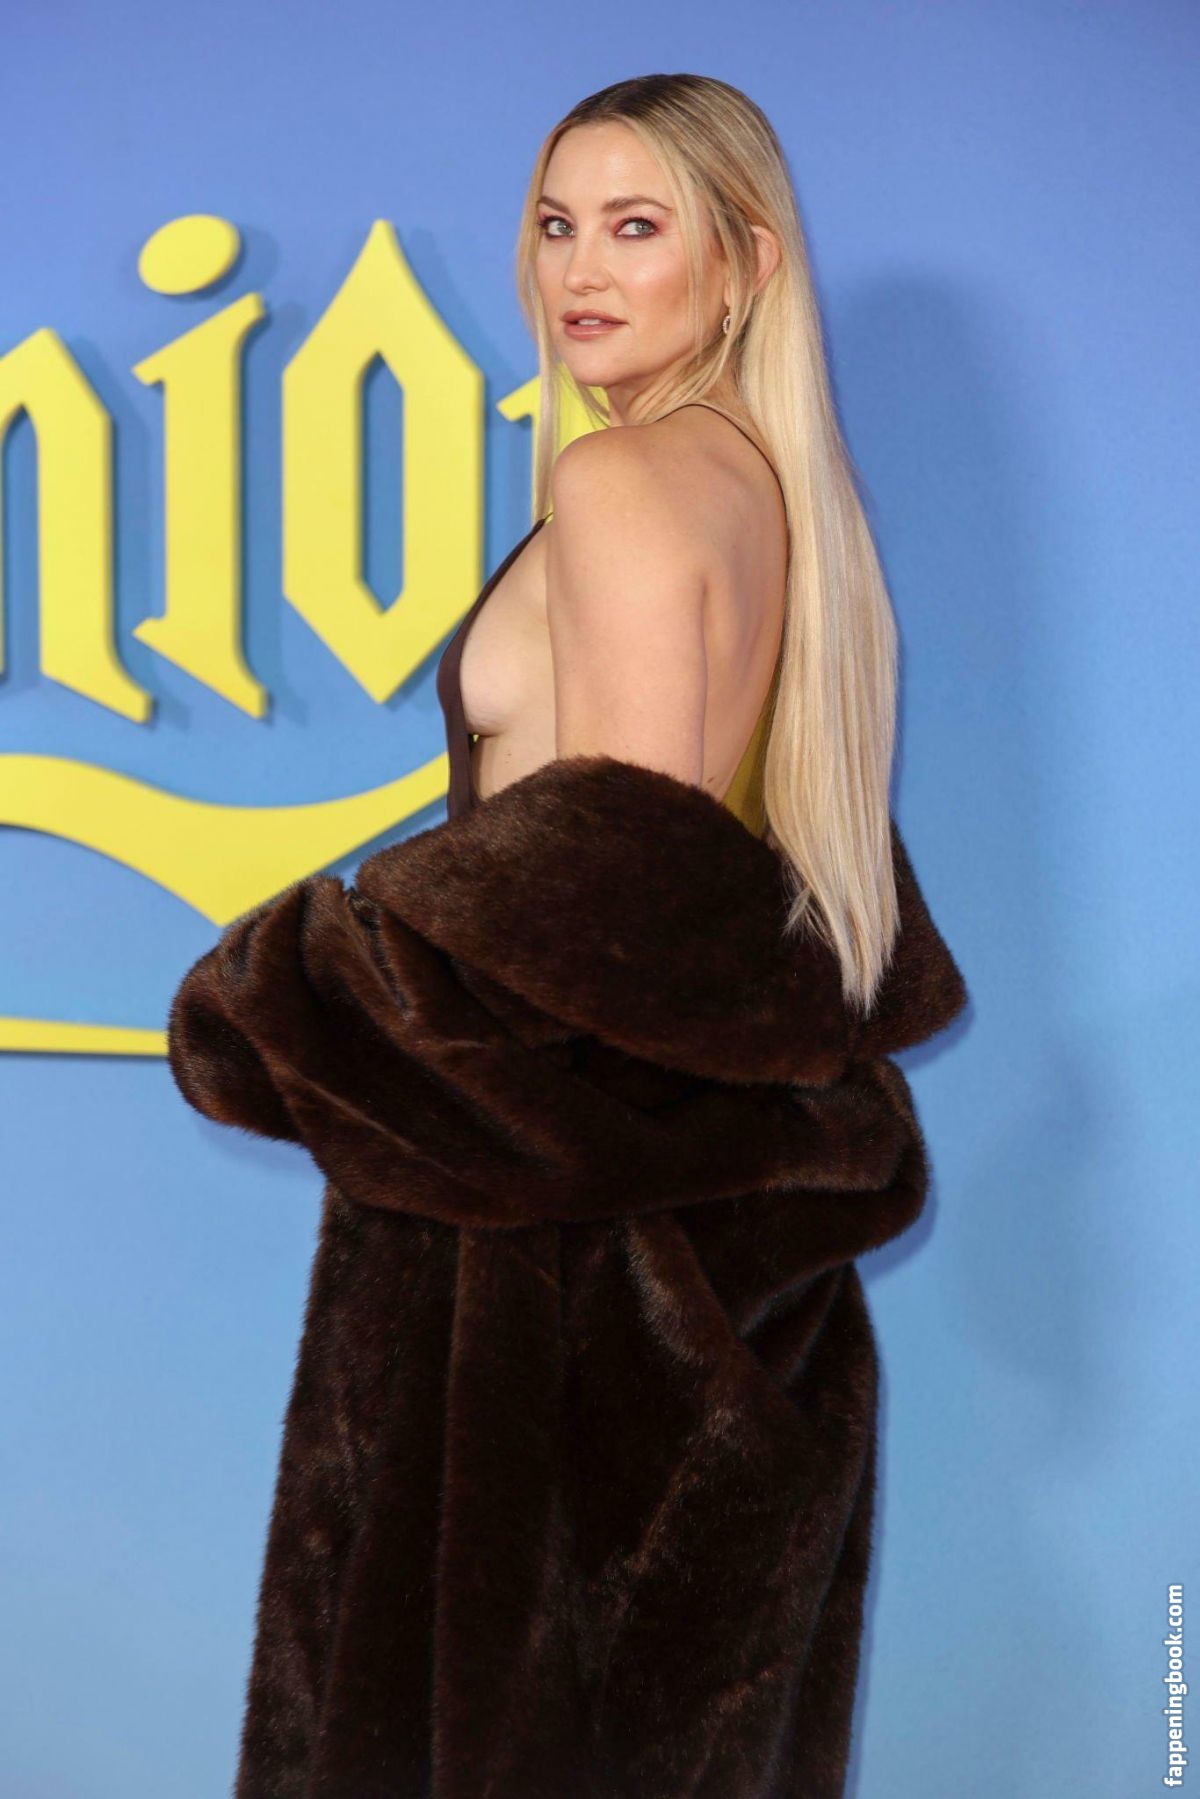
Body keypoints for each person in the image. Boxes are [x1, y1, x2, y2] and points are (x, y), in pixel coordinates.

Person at [168, 72, 968, 1799]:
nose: (580, 270)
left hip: (537, 1287)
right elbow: (691, 906)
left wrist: (282, 998)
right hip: (703, 1283)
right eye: (555, 225)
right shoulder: (770, 503)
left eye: (635, 226)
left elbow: (611, 894)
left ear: (744, 262)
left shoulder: (622, 483)